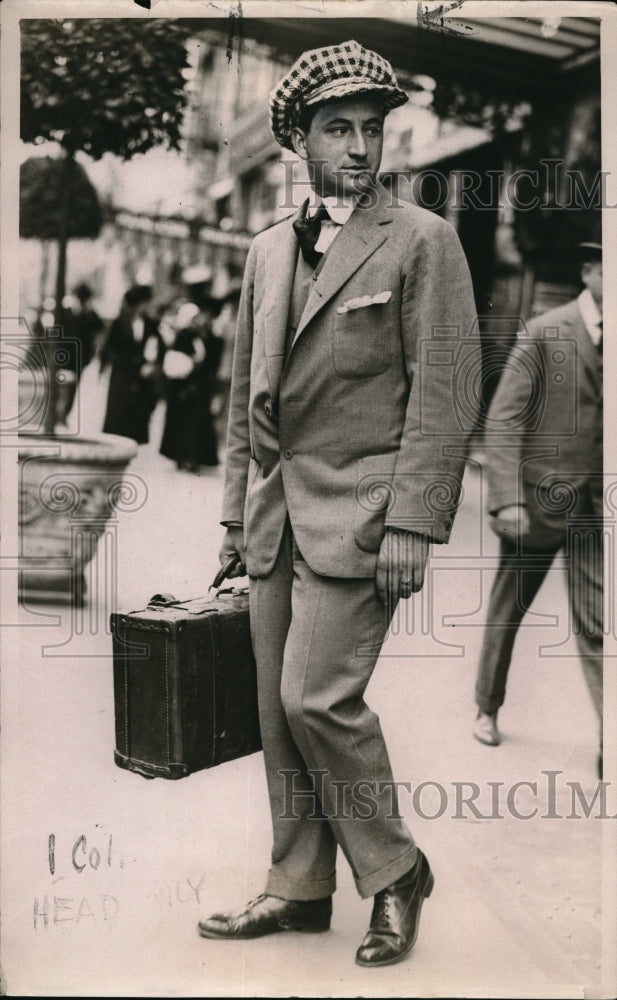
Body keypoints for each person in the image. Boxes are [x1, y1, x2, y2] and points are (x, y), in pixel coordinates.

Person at [198, 40, 478, 967]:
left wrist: (413, 520)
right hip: (278, 517)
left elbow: (445, 390)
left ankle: (396, 870)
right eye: (338, 131)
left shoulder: (423, 240)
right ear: (298, 141)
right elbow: (248, 396)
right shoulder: (266, 250)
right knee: (276, 713)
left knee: (318, 698)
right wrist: (237, 521)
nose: (359, 149)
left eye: (371, 130)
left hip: (363, 515)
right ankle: (297, 886)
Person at [473, 242, 603, 765]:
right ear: (590, 270)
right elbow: (504, 417)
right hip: (536, 503)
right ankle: (486, 705)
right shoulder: (546, 331)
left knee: (598, 619)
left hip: (596, 508)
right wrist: (506, 500)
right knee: (509, 610)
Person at [159, 297, 224, 471]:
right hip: (184, 387)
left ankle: (193, 457)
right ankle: (182, 456)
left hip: (198, 387)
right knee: (183, 423)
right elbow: (178, 364)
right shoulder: (184, 336)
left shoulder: (200, 336)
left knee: (195, 424)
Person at [99, 284, 165, 444]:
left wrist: (153, 364)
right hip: (122, 375)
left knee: (137, 416)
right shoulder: (120, 322)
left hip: (142, 377)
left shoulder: (150, 324)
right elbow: (109, 349)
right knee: (119, 413)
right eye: (144, 303)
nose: (147, 307)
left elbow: (160, 347)